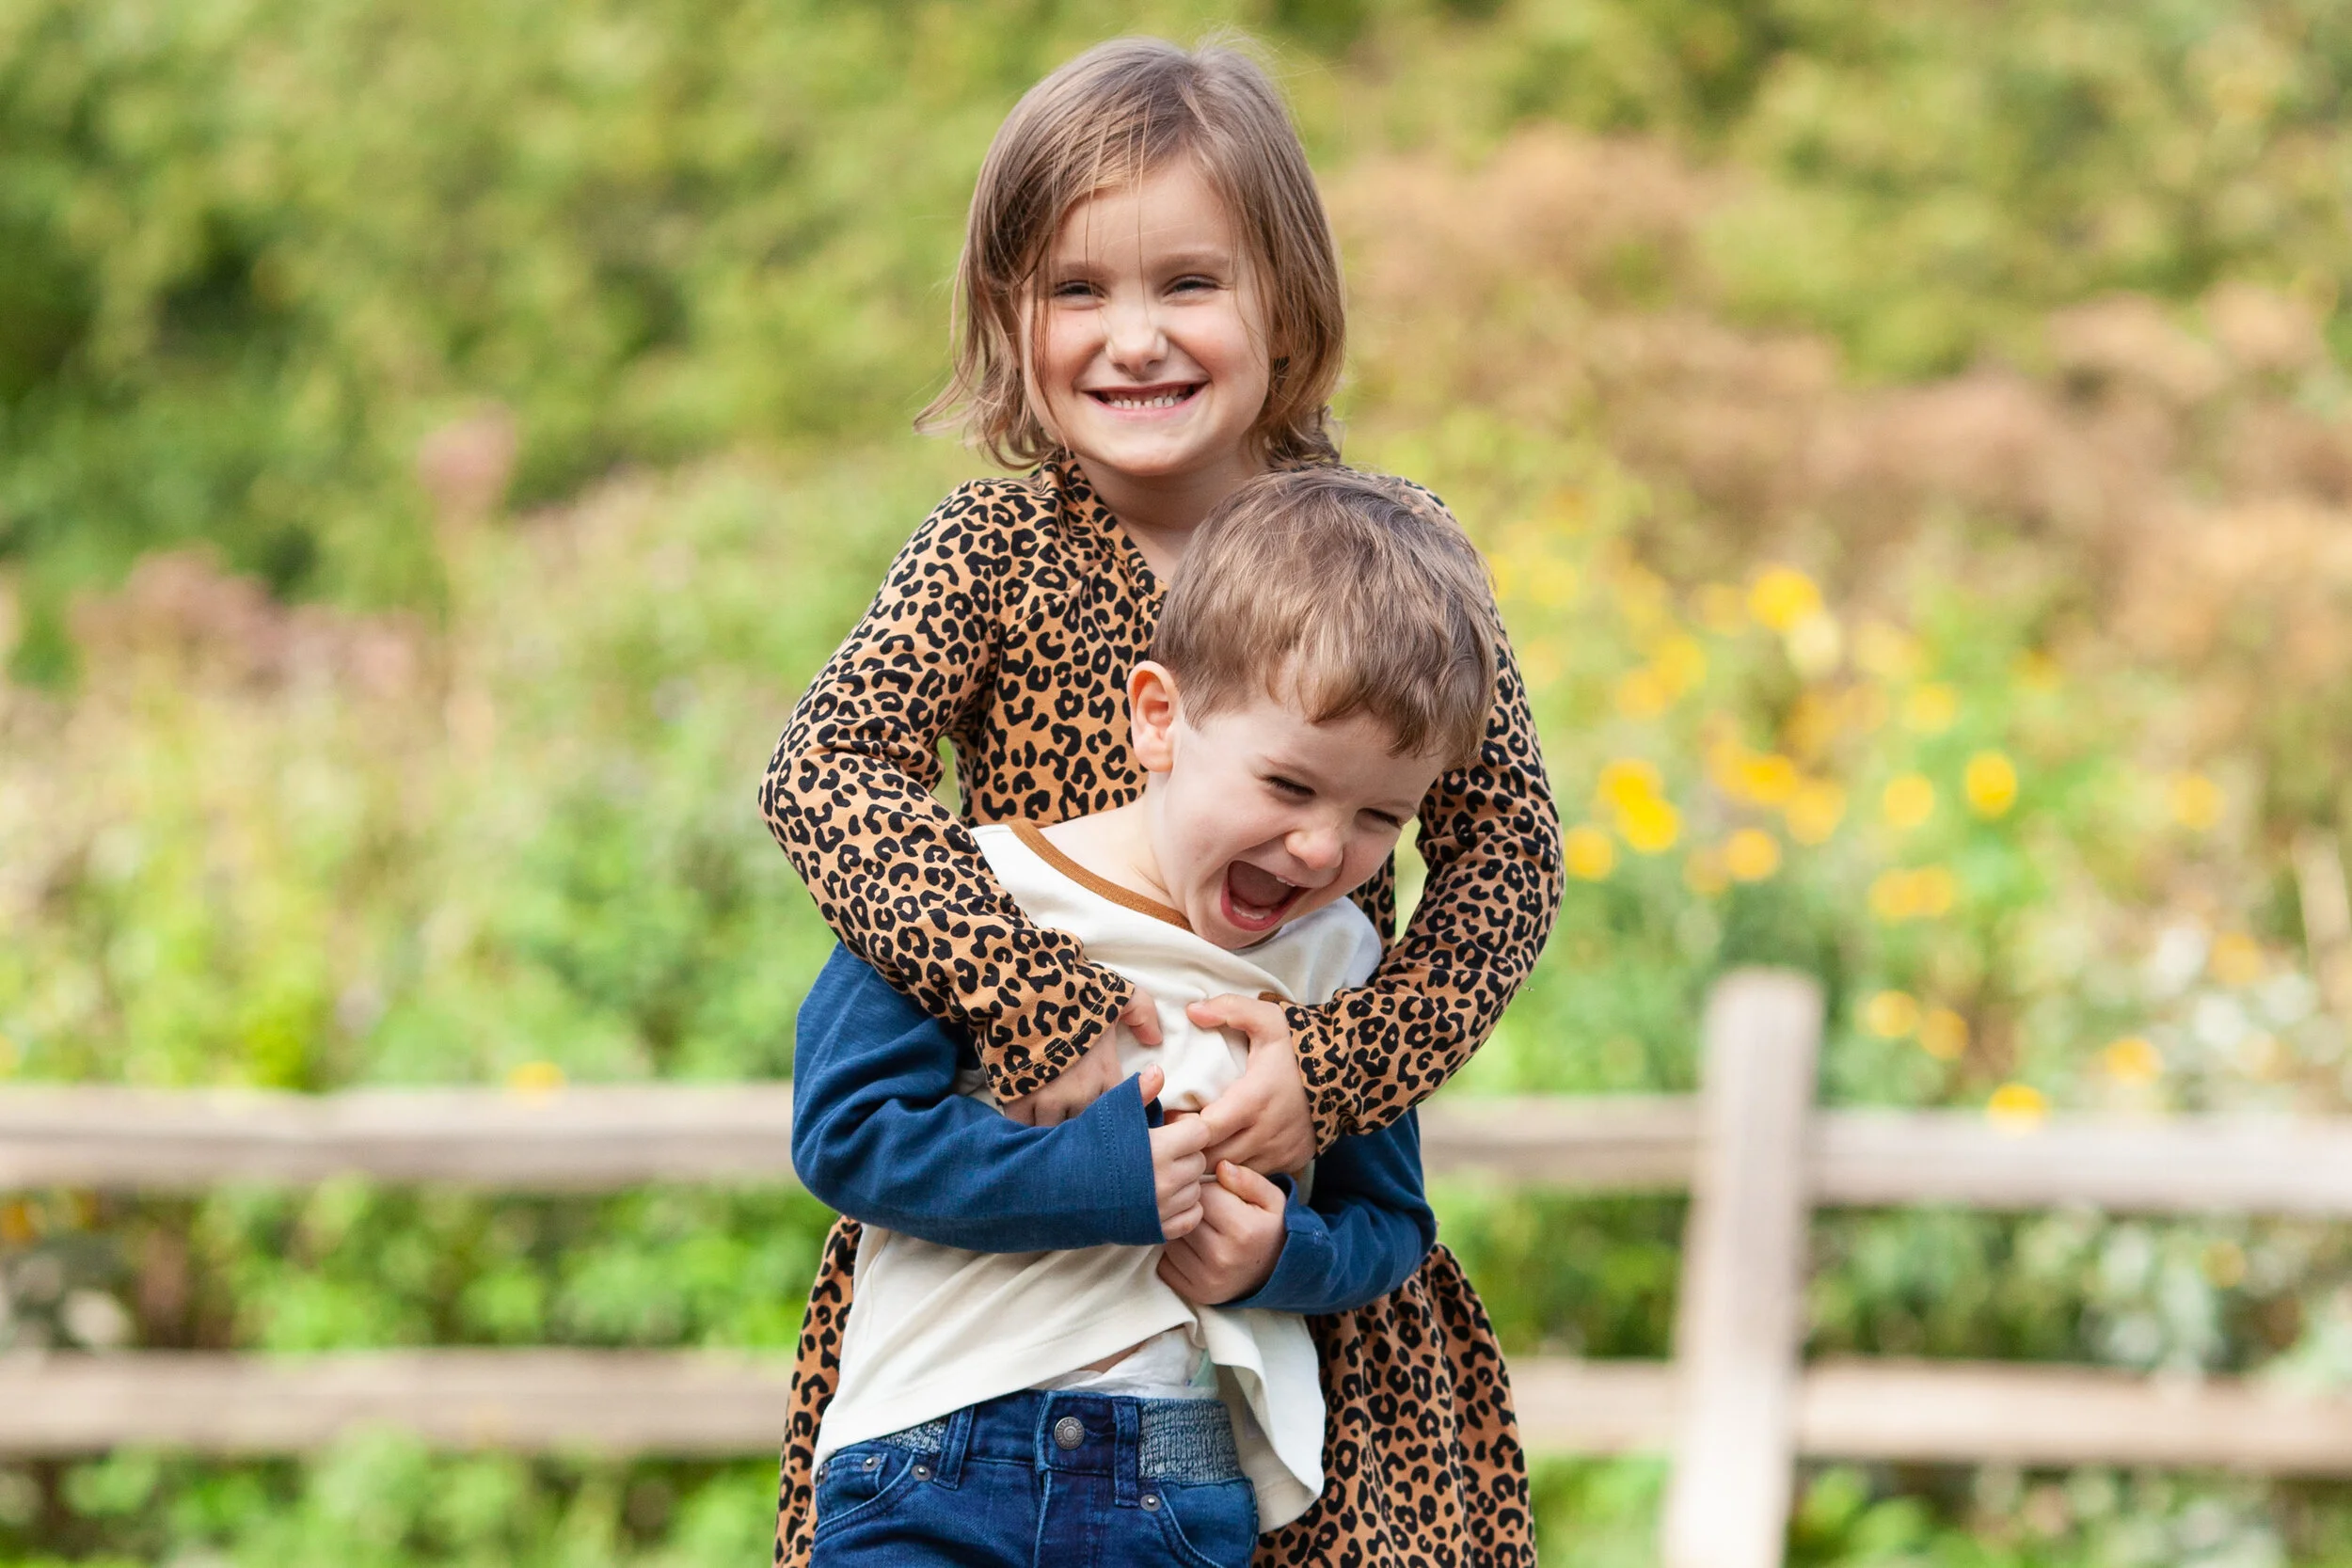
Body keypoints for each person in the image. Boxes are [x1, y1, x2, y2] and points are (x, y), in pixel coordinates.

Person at [761, 35, 1562, 1566]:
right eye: (1079, 291)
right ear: (1012, 313)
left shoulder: (1389, 553)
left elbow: (1508, 844)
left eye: (1188, 283)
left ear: (1288, 303)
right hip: (1013, 1254)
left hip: (1267, 1280)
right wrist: (1040, 1007)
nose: (1134, 338)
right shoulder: (991, 551)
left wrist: (1333, 1071)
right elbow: (827, 769)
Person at [790, 467, 1477, 1566]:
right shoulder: (976, 892)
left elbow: (1390, 1223)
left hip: (1176, 1481)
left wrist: (1278, 1254)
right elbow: (846, 1131)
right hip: (931, 1456)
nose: (1319, 847)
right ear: (1160, 719)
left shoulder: (1344, 965)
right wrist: (1096, 1179)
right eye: (1289, 786)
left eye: (1378, 816)